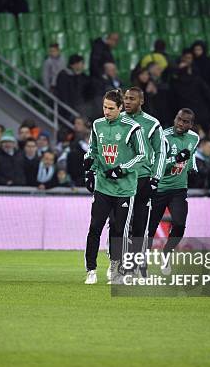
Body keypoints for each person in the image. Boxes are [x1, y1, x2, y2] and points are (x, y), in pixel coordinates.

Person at [83, 89, 146, 284]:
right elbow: (92, 150)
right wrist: (88, 168)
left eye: (111, 108)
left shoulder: (132, 127)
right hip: (103, 186)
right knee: (95, 227)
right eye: (104, 107)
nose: (107, 112)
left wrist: (122, 169)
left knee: (119, 230)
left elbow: (142, 155)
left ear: (120, 108)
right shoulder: (97, 125)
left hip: (124, 188)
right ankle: (91, 270)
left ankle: (115, 265)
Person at [145, 109, 199, 275]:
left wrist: (193, 167)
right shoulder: (162, 136)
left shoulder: (194, 138)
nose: (181, 124)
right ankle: (142, 263)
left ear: (191, 124)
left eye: (185, 122)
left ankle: (166, 254)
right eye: (179, 119)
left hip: (179, 189)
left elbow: (191, 155)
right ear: (175, 118)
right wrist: (175, 159)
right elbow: (155, 162)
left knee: (180, 226)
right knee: (149, 228)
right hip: (158, 189)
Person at [122, 87, 165, 278]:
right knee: (119, 224)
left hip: (142, 180)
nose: (127, 102)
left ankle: (135, 266)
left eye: (132, 98)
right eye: (125, 98)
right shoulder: (117, 119)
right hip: (121, 180)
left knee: (139, 226)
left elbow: (160, 152)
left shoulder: (152, 123)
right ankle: (117, 263)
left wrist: (155, 178)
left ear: (142, 101)